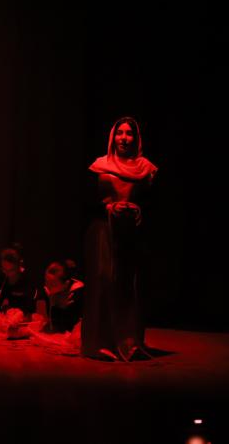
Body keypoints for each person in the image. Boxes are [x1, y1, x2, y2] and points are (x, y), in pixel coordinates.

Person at [82, 116, 158, 362]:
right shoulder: (100, 165)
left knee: (129, 284)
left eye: (129, 133)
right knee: (104, 280)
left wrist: (138, 208)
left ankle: (129, 342)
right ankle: (99, 343)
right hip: (104, 231)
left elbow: (155, 203)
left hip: (131, 233)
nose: (124, 138)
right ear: (112, 136)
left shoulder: (146, 169)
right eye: (120, 133)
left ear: (136, 138)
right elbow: (85, 200)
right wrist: (107, 207)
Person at [42, 260, 85, 334]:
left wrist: (60, 307)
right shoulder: (51, 290)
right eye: (46, 282)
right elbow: (52, 325)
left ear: (65, 284)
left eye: (52, 284)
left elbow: (68, 328)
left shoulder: (77, 292)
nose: (47, 287)